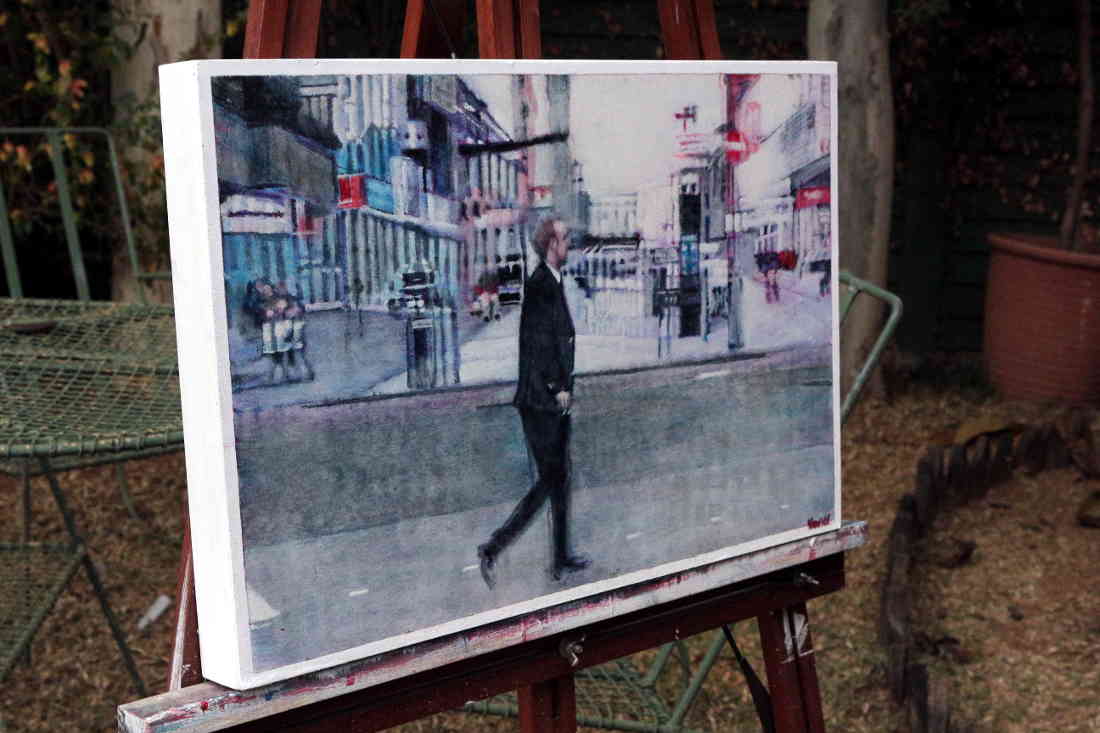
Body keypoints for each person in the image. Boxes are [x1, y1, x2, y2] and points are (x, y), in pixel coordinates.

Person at [477, 216, 591, 589]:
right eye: (565, 238)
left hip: (552, 400)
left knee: (559, 479)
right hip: (541, 400)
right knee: (551, 479)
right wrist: (558, 386)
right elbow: (539, 344)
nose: (569, 244)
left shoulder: (551, 281)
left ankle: (560, 557)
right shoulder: (541, 284)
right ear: (551, 245)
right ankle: (494, 546)